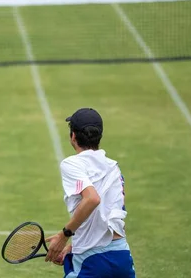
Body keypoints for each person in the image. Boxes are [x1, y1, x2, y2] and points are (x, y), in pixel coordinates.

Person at [45, 108, 136, 277]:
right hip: (121, 256)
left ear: (73, 136)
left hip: (92, 260)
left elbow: (92, 199)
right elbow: (107, 212)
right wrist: (73, 247)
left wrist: (65, 235)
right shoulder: (113, 167)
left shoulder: (72, 164)